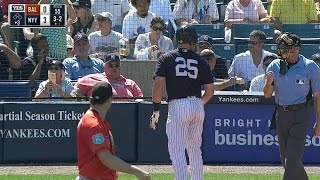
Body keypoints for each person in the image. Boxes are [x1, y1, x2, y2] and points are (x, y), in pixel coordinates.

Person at [150, 24, 214, 180]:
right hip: (197, 104)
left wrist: (156, 109)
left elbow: (158, 84)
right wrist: (199, 104)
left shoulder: (166, 57)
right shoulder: (200, 60)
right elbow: (210, 90)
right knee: (194, 149)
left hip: (178, 106)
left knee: (177, 148)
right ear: (192, 41)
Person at [263, 32, 320, 180]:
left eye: (286, 47)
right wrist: (268, 83)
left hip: (301, 114)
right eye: (281, 47)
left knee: (292, 160)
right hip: (281, 114)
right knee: (286, 161)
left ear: (296, 48)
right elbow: (267, 94)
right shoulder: (274, 65)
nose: (282, 51)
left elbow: (317, 97)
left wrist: (319, 121)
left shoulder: (310, 66)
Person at [76, 81, 151, 180]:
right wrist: (137, 171)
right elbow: (106, 158)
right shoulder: (93, 124)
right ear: (109, 100)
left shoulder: (96, 120)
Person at [72, 53, 143, 101]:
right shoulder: (93, 79)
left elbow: (140, 100)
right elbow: (75, 90)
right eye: (110, 66)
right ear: (104, 67)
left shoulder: (130, 83)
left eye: (116, 65)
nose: (114, 68)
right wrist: (83, 102)